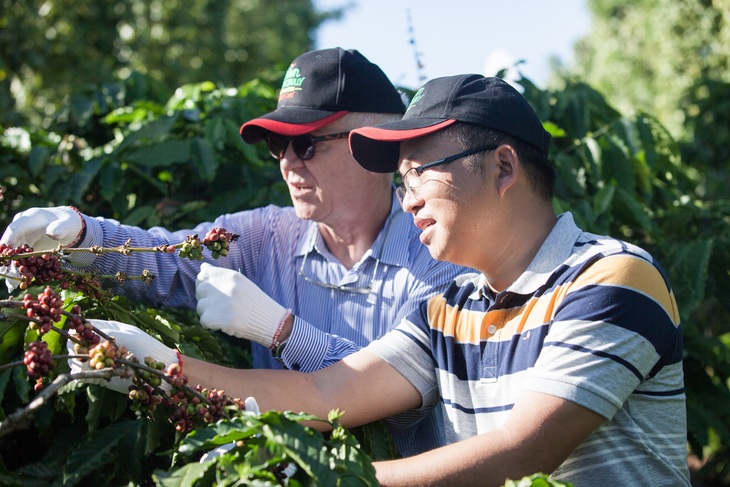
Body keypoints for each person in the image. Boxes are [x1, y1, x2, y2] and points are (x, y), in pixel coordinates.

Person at [80, 73, 689, 486]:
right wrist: (156, 368)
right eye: (403, 181)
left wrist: (321, 475)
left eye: (422, 172)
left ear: (504, 167)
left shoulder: (612, 279)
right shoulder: (451, 308)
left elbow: (523, 451)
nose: (409, 197)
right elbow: (324, 397)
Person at [1, 48, 472, 457]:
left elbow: (393, 396)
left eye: (306, 143)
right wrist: (84, 236)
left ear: (373, 142)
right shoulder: (267, 234)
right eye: (277, 144)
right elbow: (168, 258)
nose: (287, 162)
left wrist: (283, 332)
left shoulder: (440, 254)